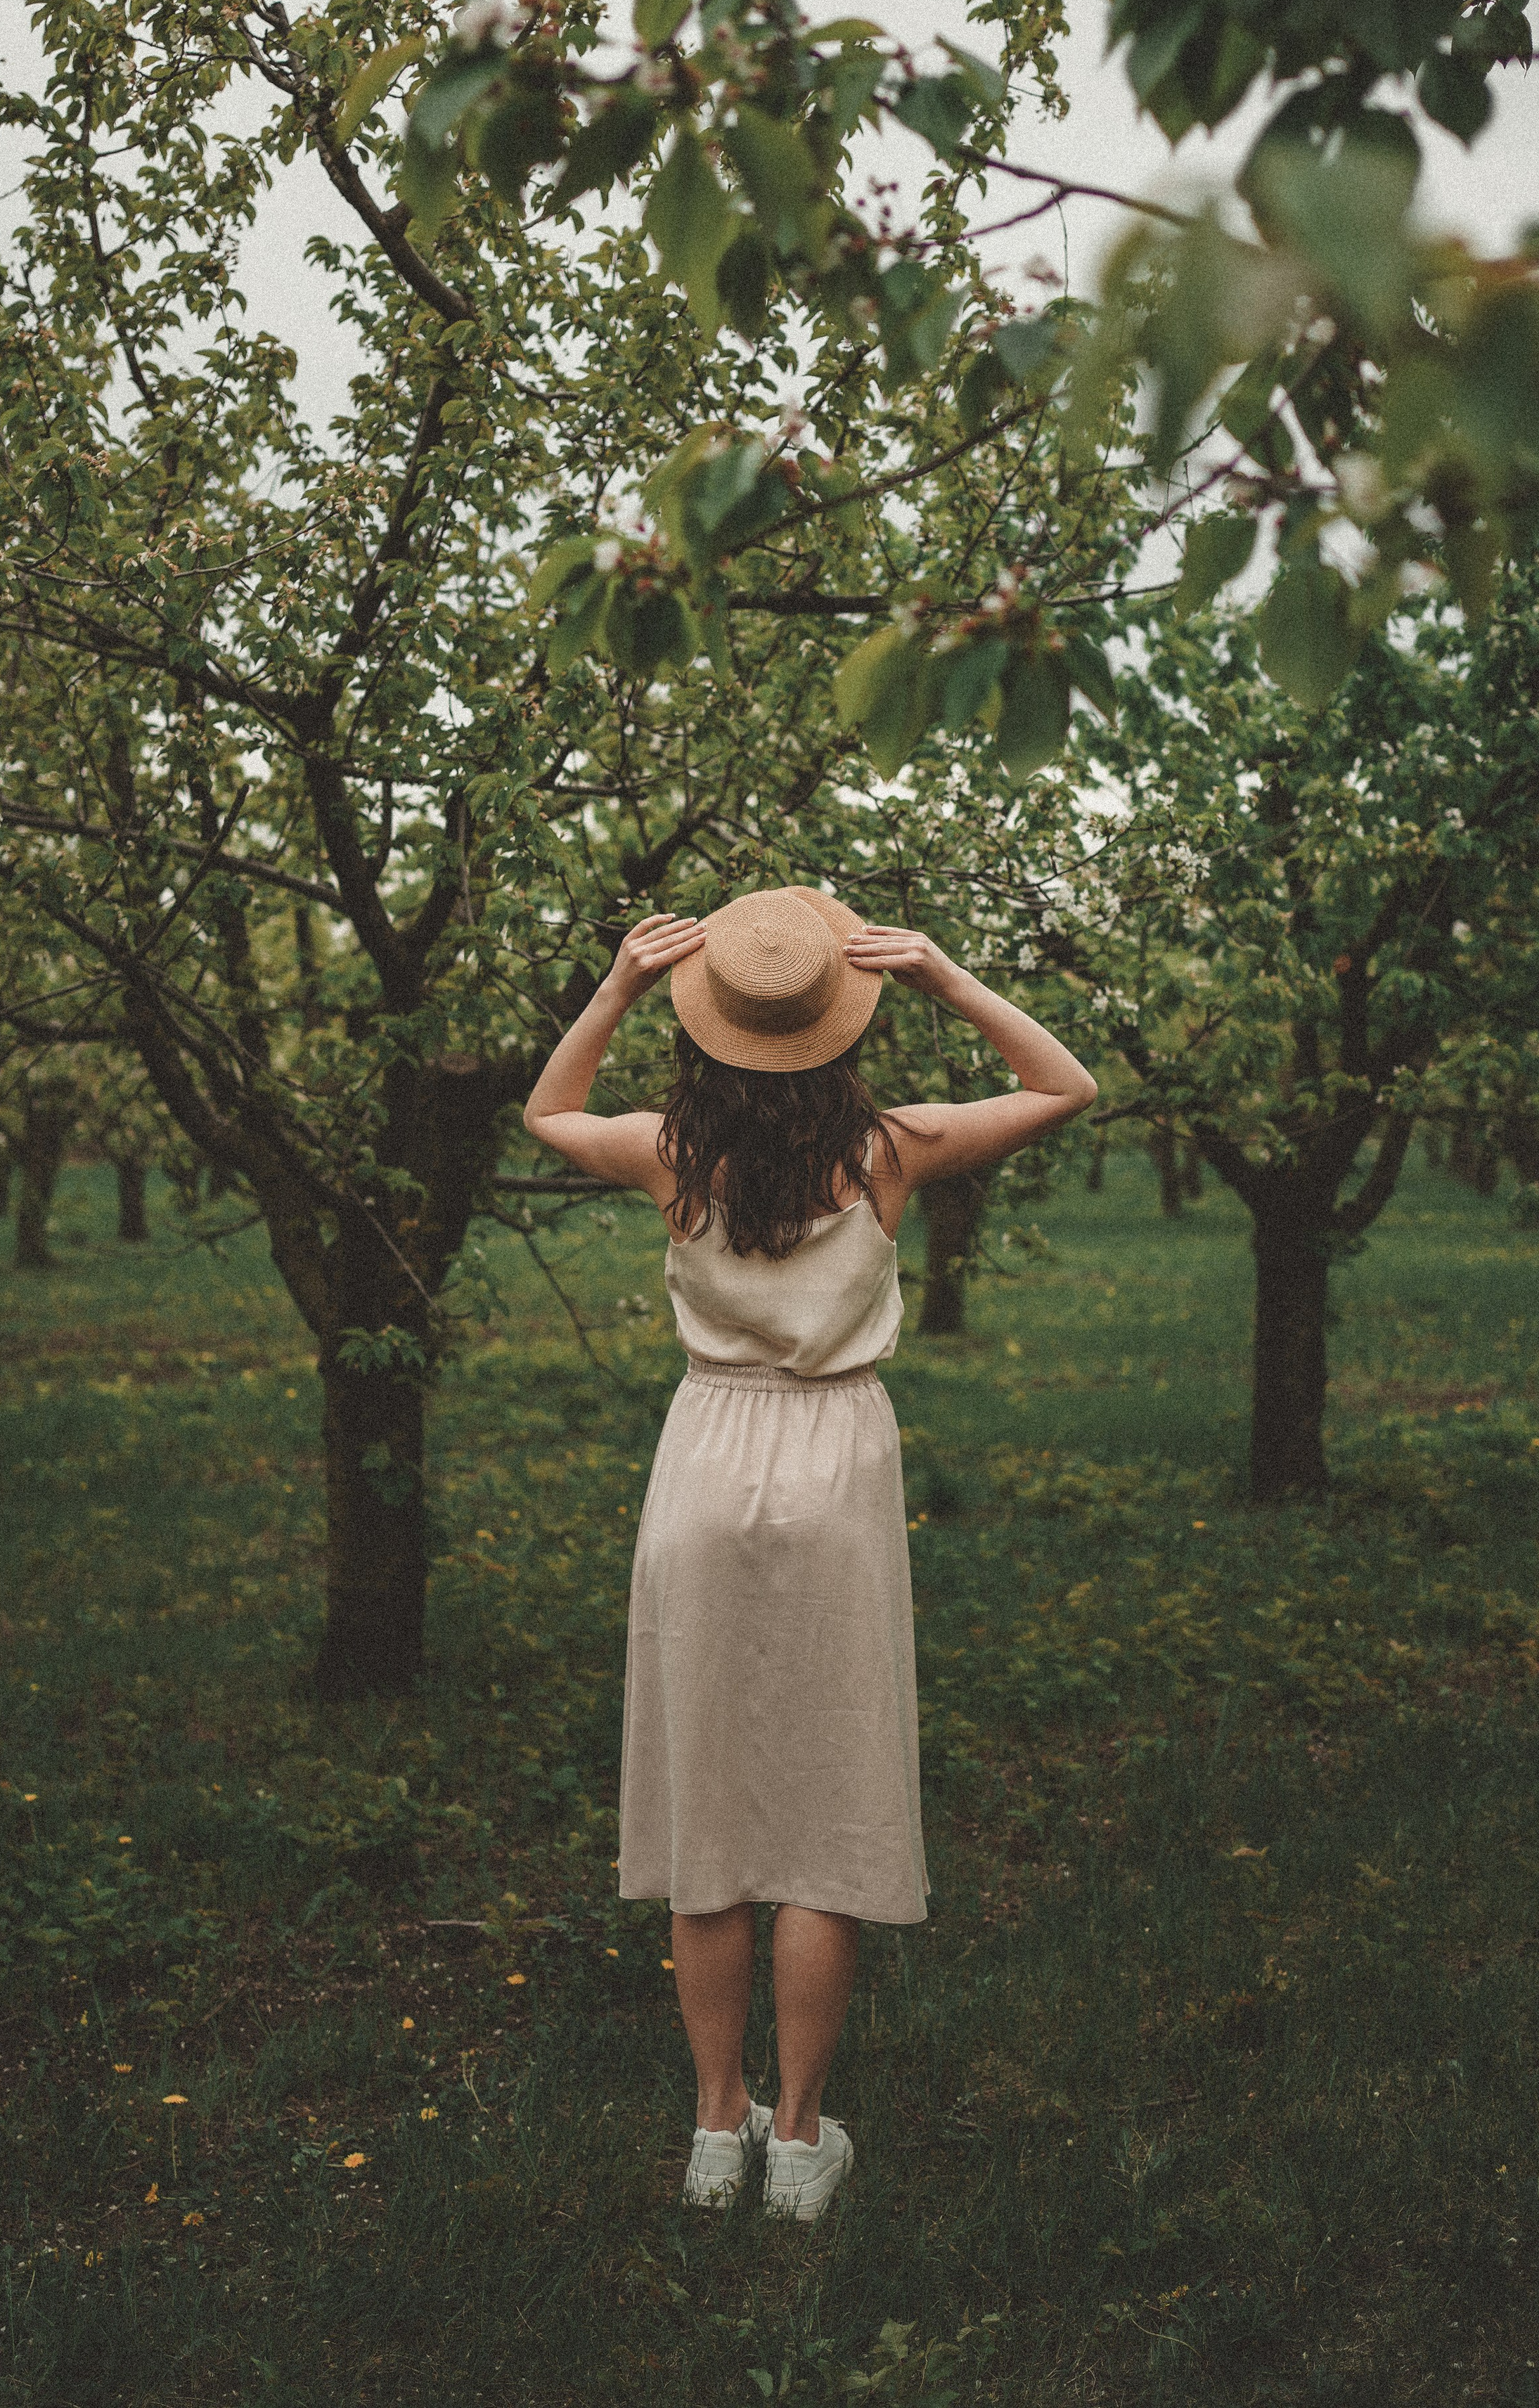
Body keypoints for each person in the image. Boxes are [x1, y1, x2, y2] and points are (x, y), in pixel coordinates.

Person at [523, 884, 1097, 2220]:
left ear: (707, 1029)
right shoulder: (891, 1150)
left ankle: (713, 2131)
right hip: (837, 1462)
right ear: (838, 1030)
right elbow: (1064, 1084)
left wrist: (613, 986)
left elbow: (547, 1112)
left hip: (707, 1460)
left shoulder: (673, 1156)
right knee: (827, 1805)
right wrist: (947, 976)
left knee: (708, 1805)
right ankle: (795, 2142)